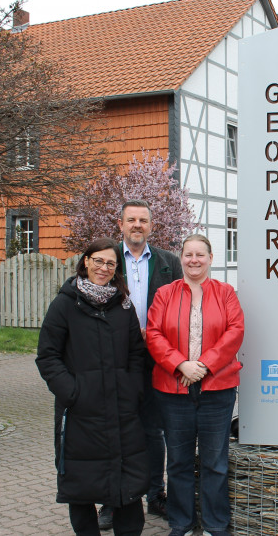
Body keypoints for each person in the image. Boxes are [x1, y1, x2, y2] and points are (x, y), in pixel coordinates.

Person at [36, 237, 149, 535]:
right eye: (98, 260)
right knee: (81, 486)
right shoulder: (64, 304)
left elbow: (137, 353)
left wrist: (132, 388)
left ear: (116, 269)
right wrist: (73, 392)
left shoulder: (123, 306)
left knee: (128, 483)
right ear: (85, 261)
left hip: (122, 409)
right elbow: (47, 356)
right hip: (80, 413)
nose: (103, 267)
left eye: (110, 263)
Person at [146, 234, 244, 536]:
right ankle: (182, 523)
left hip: (217, 390)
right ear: (181, 258)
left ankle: (216, 525)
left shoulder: (226, 293)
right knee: (178, 462)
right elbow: (153, 334)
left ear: (211, 258)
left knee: (215, 463)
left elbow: (235, 331)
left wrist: (201, 366)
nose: (194, 260)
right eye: (188, 254)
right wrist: (180, 364)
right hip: (172, 391)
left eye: (200, 254)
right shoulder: (165, 294)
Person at [99, 200, 183, 530]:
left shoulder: (168, 263)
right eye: (131, 220)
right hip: (113, 359)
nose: (137, 225)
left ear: (151, 225)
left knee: (152, 430)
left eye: (143, 220)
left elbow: (179, 306)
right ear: (120, 225)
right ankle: (110, 498)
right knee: (113, 429)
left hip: (155, 359)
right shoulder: (107, 260)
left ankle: (154, 494)